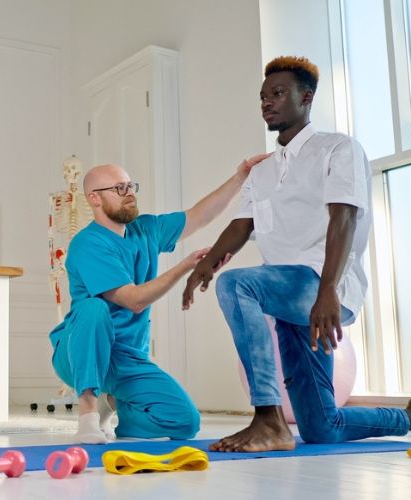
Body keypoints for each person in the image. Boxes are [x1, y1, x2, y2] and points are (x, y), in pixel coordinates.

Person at [182, 55, 411, 452]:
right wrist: (205, 264)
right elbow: (243, 225)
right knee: (321, 426)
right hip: (287, 295)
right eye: (262, 97)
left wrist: (328, 290)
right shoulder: (262, 172)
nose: (267, 103)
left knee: (236, 284)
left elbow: (342, 219)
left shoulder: (338, 149)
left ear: (306, 97)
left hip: (321, 286)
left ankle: (268, 419)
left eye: (277, 93)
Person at [50, 156, 268, 444]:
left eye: (130, 186)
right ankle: (88, 413)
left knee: (184, 422)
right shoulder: (88, 244)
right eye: (119, 188)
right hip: (79, 353)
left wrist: (241, 175)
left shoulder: (146, 229)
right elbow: (133, 300)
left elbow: (199, 216)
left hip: (127, 357)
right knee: (94, 308)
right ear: (94, 199)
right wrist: (184, 266)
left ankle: (113, 405)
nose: (129, 193)